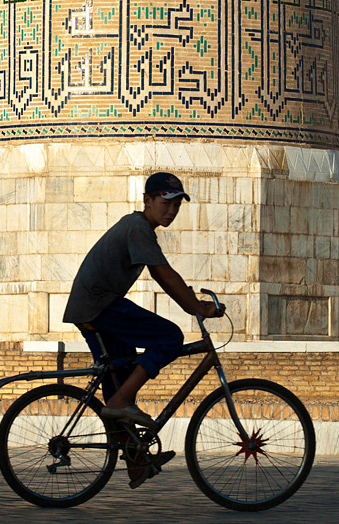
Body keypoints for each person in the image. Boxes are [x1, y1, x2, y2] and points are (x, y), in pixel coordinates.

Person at [63, 172, 223, 488]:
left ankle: (135, 460)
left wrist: (193, 302)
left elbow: (165, 275)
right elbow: (165, 275)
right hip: (99, 305)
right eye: (165, 202)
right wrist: (198, 308)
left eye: (177, 204)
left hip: (96, 305)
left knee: (119, 378)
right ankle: (121, 401)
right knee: (170, 337)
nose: (172, 210)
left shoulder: (141, 229)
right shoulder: (137, 228)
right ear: (147, 200)